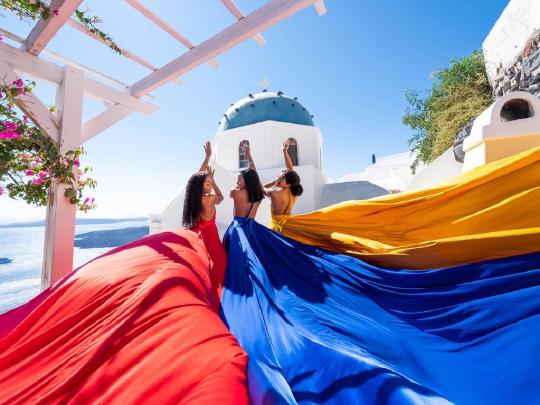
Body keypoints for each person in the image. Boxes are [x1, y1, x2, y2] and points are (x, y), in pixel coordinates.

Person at [182, 141, 226, 305]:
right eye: (207, 184)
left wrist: (207, 158)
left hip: (199, 238)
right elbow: (221, 198)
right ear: (203, 186)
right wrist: (213, 183)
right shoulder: (209, 198)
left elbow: (195, 178)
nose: (209, 185)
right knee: (219, 270)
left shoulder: (196, 198)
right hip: (212, 241)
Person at [264, 140, 303, 231]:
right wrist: (285, 151)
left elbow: (261, 187)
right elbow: (291, 170)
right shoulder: (293, 192)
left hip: (276, 229)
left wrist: (275, 182)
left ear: (288, 184)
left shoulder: (274, 193)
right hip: (288, 228)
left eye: (281, 178)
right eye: (279, 176)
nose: (279, 178)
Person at [229, 142, 264, 220]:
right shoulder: (258, 194)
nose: (237, 183)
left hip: (238, 228)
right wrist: (248, 155)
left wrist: (248, 155)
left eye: (239, 180)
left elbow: (231, 194)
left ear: (248, 181)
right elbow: (254, 177)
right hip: (252, 227)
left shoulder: (235, 192)